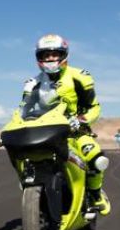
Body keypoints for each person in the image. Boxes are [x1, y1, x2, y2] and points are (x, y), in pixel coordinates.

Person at [18, 34, 111, 215]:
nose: (50, 58)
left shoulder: (80, 77)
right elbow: (23, 109)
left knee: (95, 157)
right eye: (46, 55)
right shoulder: (32, 83)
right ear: (39, 58)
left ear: (63, 55)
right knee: (27, 163)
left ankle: (95, 194)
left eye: (54, 54)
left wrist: (81, 120)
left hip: (76, 132)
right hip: (45, 133)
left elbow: (94, 107)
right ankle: (35, 204)